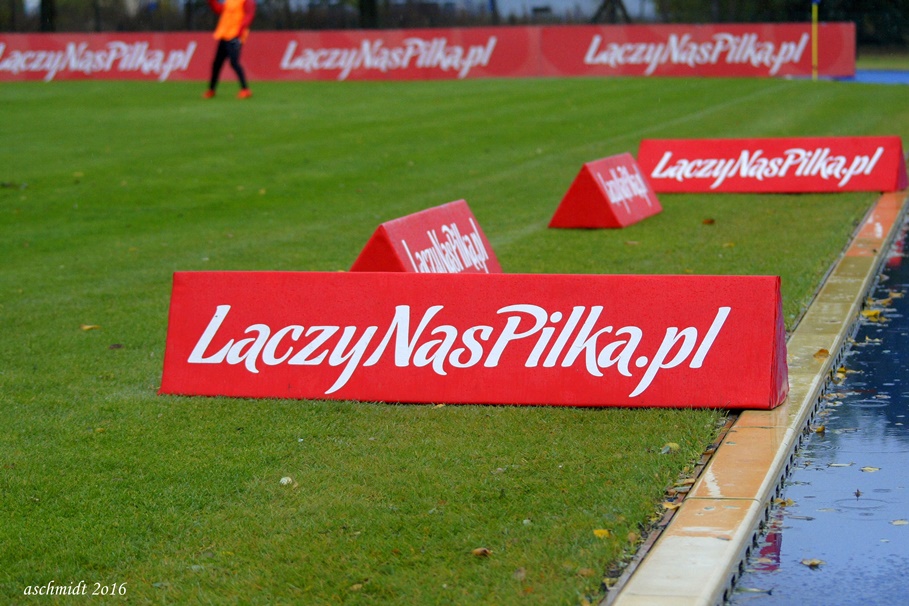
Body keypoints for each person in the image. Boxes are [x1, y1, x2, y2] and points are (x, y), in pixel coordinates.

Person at [203, 0, 256, 99]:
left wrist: (240, 30)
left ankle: (245, 89)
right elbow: (220, 10)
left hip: (235, 35)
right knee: (217, 63)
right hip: (224, 35)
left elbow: (249, 15)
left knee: (234, 62)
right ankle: (211, 90)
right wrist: (212, 2)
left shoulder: (246, 1)